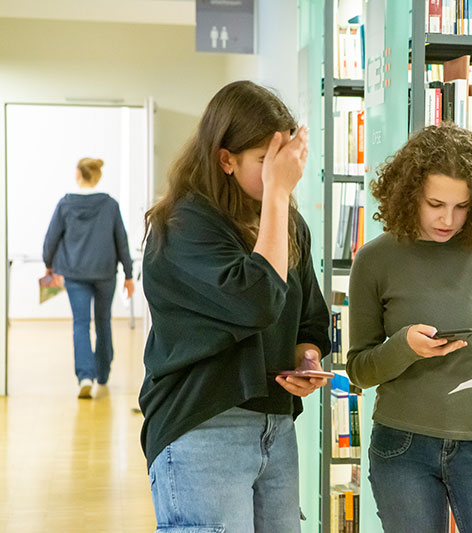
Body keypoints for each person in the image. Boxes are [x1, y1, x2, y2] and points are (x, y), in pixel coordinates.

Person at [139, 80, 331, 533]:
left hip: (275, 428)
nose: (278, 176)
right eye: (266, 163)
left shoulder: (286, 222)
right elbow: (256, 301)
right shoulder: (183, 226)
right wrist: (279, 196)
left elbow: (310, 316)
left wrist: (307, 357)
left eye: (282, 163)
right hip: (203, 424)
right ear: (226, 159)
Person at [346, 122, 472, 532]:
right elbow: (358, 370)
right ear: (409, 195)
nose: (448, 219)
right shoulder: (375, 260)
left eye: (462, 206)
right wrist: (404, 347)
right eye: (435, 204)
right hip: (403, 447)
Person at [42, 157, 135, 399]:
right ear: (97, 175)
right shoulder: (110, 205)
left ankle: (85, 376)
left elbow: (51, 238)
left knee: (80, 324)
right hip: (105, 273)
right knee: (103, 322)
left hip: (74, 273)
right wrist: (128, 274)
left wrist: (48, 265)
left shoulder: (66, 204)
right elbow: (121, 240)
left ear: (78, 174)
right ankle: (103, 374)